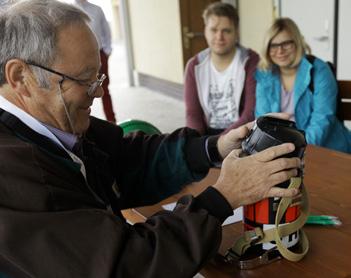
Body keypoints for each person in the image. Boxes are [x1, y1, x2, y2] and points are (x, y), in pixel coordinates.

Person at [0, 1, 300, 277]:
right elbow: (127, 263)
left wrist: (213, 147)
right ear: (20, 77)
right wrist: (223, 197)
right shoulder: (14, 176)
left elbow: (128, 158)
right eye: (84, 79)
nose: (99, 93)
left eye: (99, 78)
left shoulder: (55, 125)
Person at [255, 17, 351, 153]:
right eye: (273, 45)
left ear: (298, 42)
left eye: (286, 43)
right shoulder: (264, 75)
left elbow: (322, 120)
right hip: (282, 153)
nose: (280, 50)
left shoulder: (319, 70)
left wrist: (295, 152)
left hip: (326, 150)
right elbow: (262, 121)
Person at [184, 2, 259, 136]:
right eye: (214, 30)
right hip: (206, 134)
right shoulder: (194, 66)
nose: (219, 37)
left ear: (237, 32)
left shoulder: (251, 61)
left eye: (226, 31)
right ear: (205, 31)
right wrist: (198, 143)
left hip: (242, 133)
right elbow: (192, 114)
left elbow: (250, 113)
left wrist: (219, 142)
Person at [74, 0, 116, 123]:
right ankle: (82, 122)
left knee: (104, 88)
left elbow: (106, 32)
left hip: (99, 54)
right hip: (78, 57)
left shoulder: (97, 10)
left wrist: (107, 52)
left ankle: (111, 121)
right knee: (80, 91)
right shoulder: (70, 10)